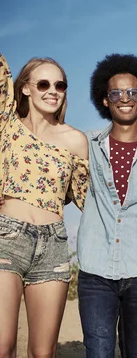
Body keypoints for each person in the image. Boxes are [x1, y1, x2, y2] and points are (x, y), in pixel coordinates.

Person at [0, 54, 89, 357]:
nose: (53, 90)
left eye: (60, 85)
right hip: (6, 239)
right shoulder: (7, 124)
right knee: (3, 344)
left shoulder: (75, 139)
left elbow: (90, 200)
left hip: (53, 244)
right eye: (43, 83)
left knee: (43, 352)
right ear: (24, 88)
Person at [76, 54, 137, 358]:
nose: (124, 98)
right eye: (116, 92)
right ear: (104, 100)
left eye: (132, 93)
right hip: (95, 269)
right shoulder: (86, 144)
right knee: (98, 352)